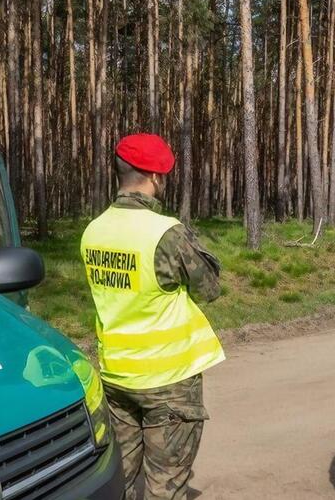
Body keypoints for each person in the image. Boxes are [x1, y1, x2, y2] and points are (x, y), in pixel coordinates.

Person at [81, 133, 225, 500]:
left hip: (116, 376)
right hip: (168, 380)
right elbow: (209, 289)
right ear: (155, 177)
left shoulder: (92, 231)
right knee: (166, 486)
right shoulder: (165, 232)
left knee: (125, 480)